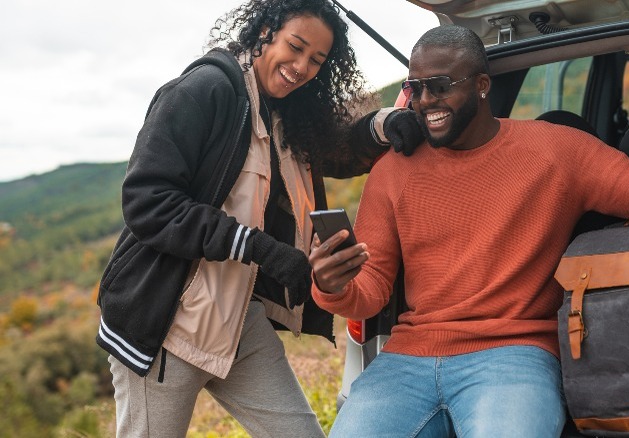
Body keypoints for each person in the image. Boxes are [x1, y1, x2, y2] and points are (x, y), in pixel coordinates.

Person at [309, 25, 629, 437]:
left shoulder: (557, 153)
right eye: (415, 88)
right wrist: (332, 286)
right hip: (405, 361)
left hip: (514, 356)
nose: (426, 101)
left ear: (482, 86)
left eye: (439, 86)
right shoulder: (394, 169)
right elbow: (370, 291)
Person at [95, 0, 423, 436]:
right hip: (167, 324)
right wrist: (263, 250)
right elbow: (147, 203)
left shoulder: (287, 109)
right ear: (266, 29)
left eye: (316, 60)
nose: (302, 66)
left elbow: (334, 149)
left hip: (237, 320)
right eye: (296, 46)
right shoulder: (205, 90)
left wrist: (382, 126)